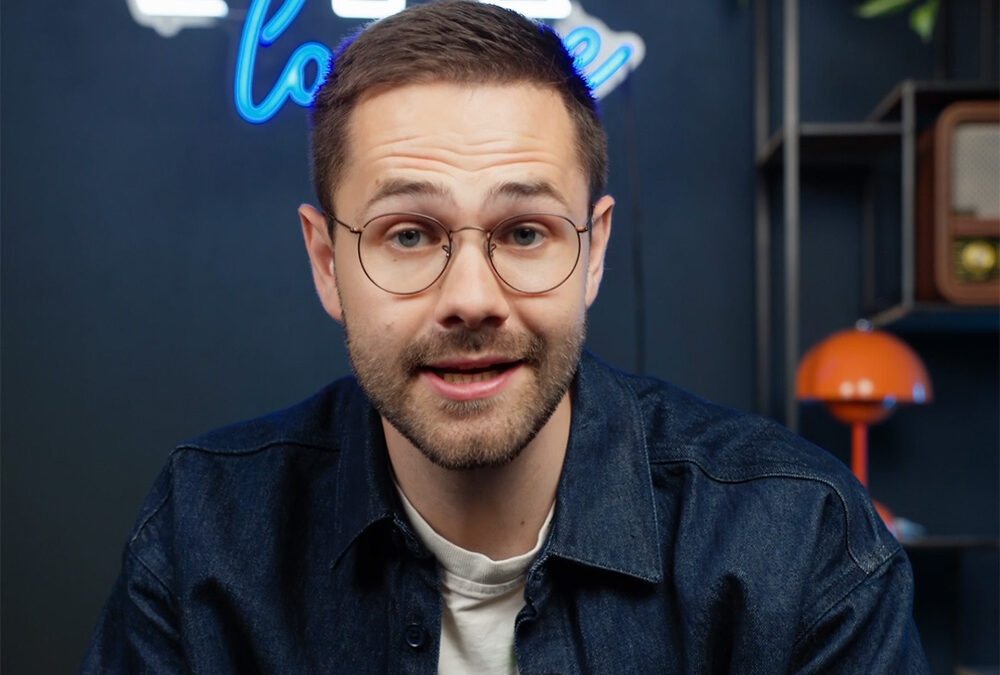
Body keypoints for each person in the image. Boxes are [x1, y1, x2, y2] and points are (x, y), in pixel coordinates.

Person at [82, 1, 929, 672]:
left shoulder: (801, 542)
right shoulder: (204, 537)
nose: (471, 300)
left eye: (524, 232)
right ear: (326, 262)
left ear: (593, 252)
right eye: (409, 233)